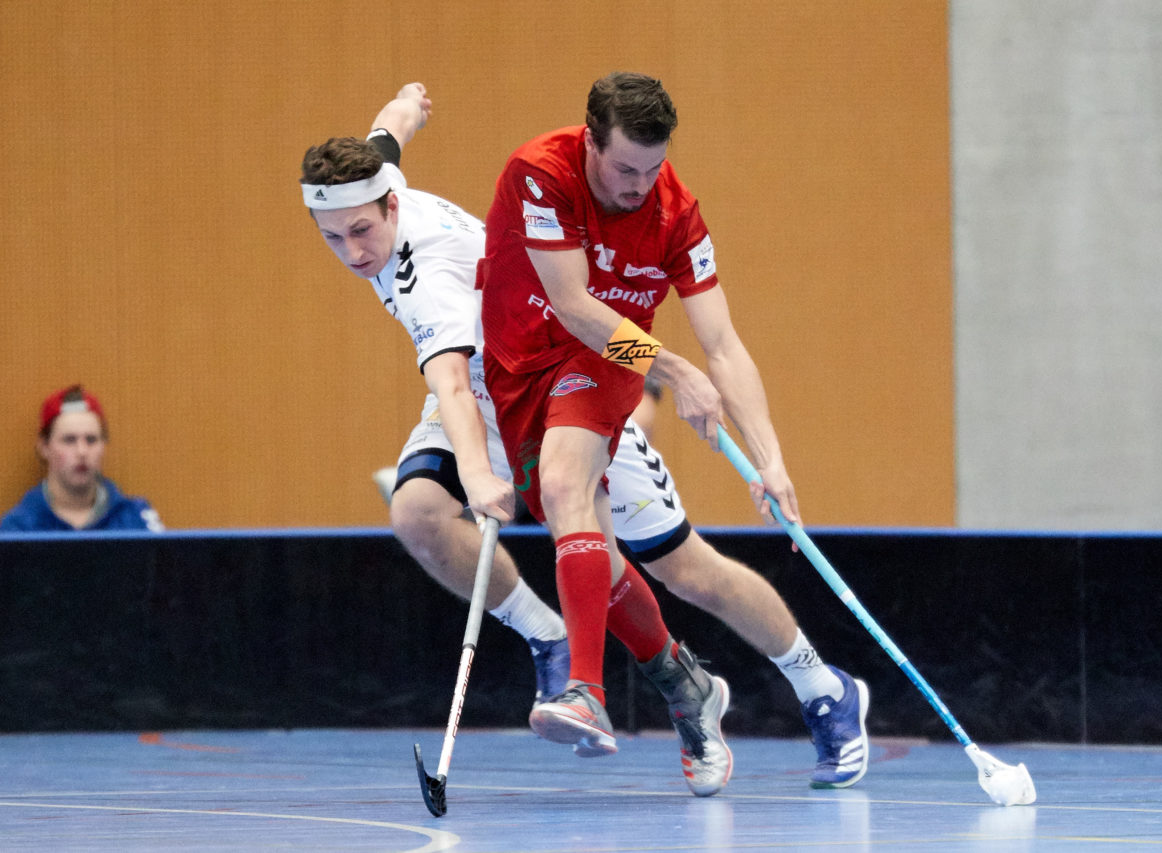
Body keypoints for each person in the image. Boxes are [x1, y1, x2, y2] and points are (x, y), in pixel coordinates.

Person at [301, 82, 867, 798]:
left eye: (362, 232)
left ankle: (820, 684)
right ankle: (554, 640)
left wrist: (767, 457)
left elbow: (482, 368)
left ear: (391, 205)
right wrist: (408, 104)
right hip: (494, 386)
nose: (353, 251)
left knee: (685, 570)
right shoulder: (384, 188)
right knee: (420, 513)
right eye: (334, 238)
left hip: (562, 375)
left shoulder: (430, 283)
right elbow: (386, 134)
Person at [478, 71, 870, 793]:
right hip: (521, 373)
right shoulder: (541, 173)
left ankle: (590, 691)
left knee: (570, 489)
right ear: (590, 142)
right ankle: (696, 689)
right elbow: (572, 303)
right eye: (625, 169)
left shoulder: (675, 213)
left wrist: (772, 461)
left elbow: (723, 344)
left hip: (605, 364)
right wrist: (674, 368)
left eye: (652, 169)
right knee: (624, 561)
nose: (639, 186)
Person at [1, 385, 164, 532]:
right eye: (69, 440)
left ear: (103, 445)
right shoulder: (16, 529)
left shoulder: (137, 520)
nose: (82, 451)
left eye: (91, 440)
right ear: (44, 447)